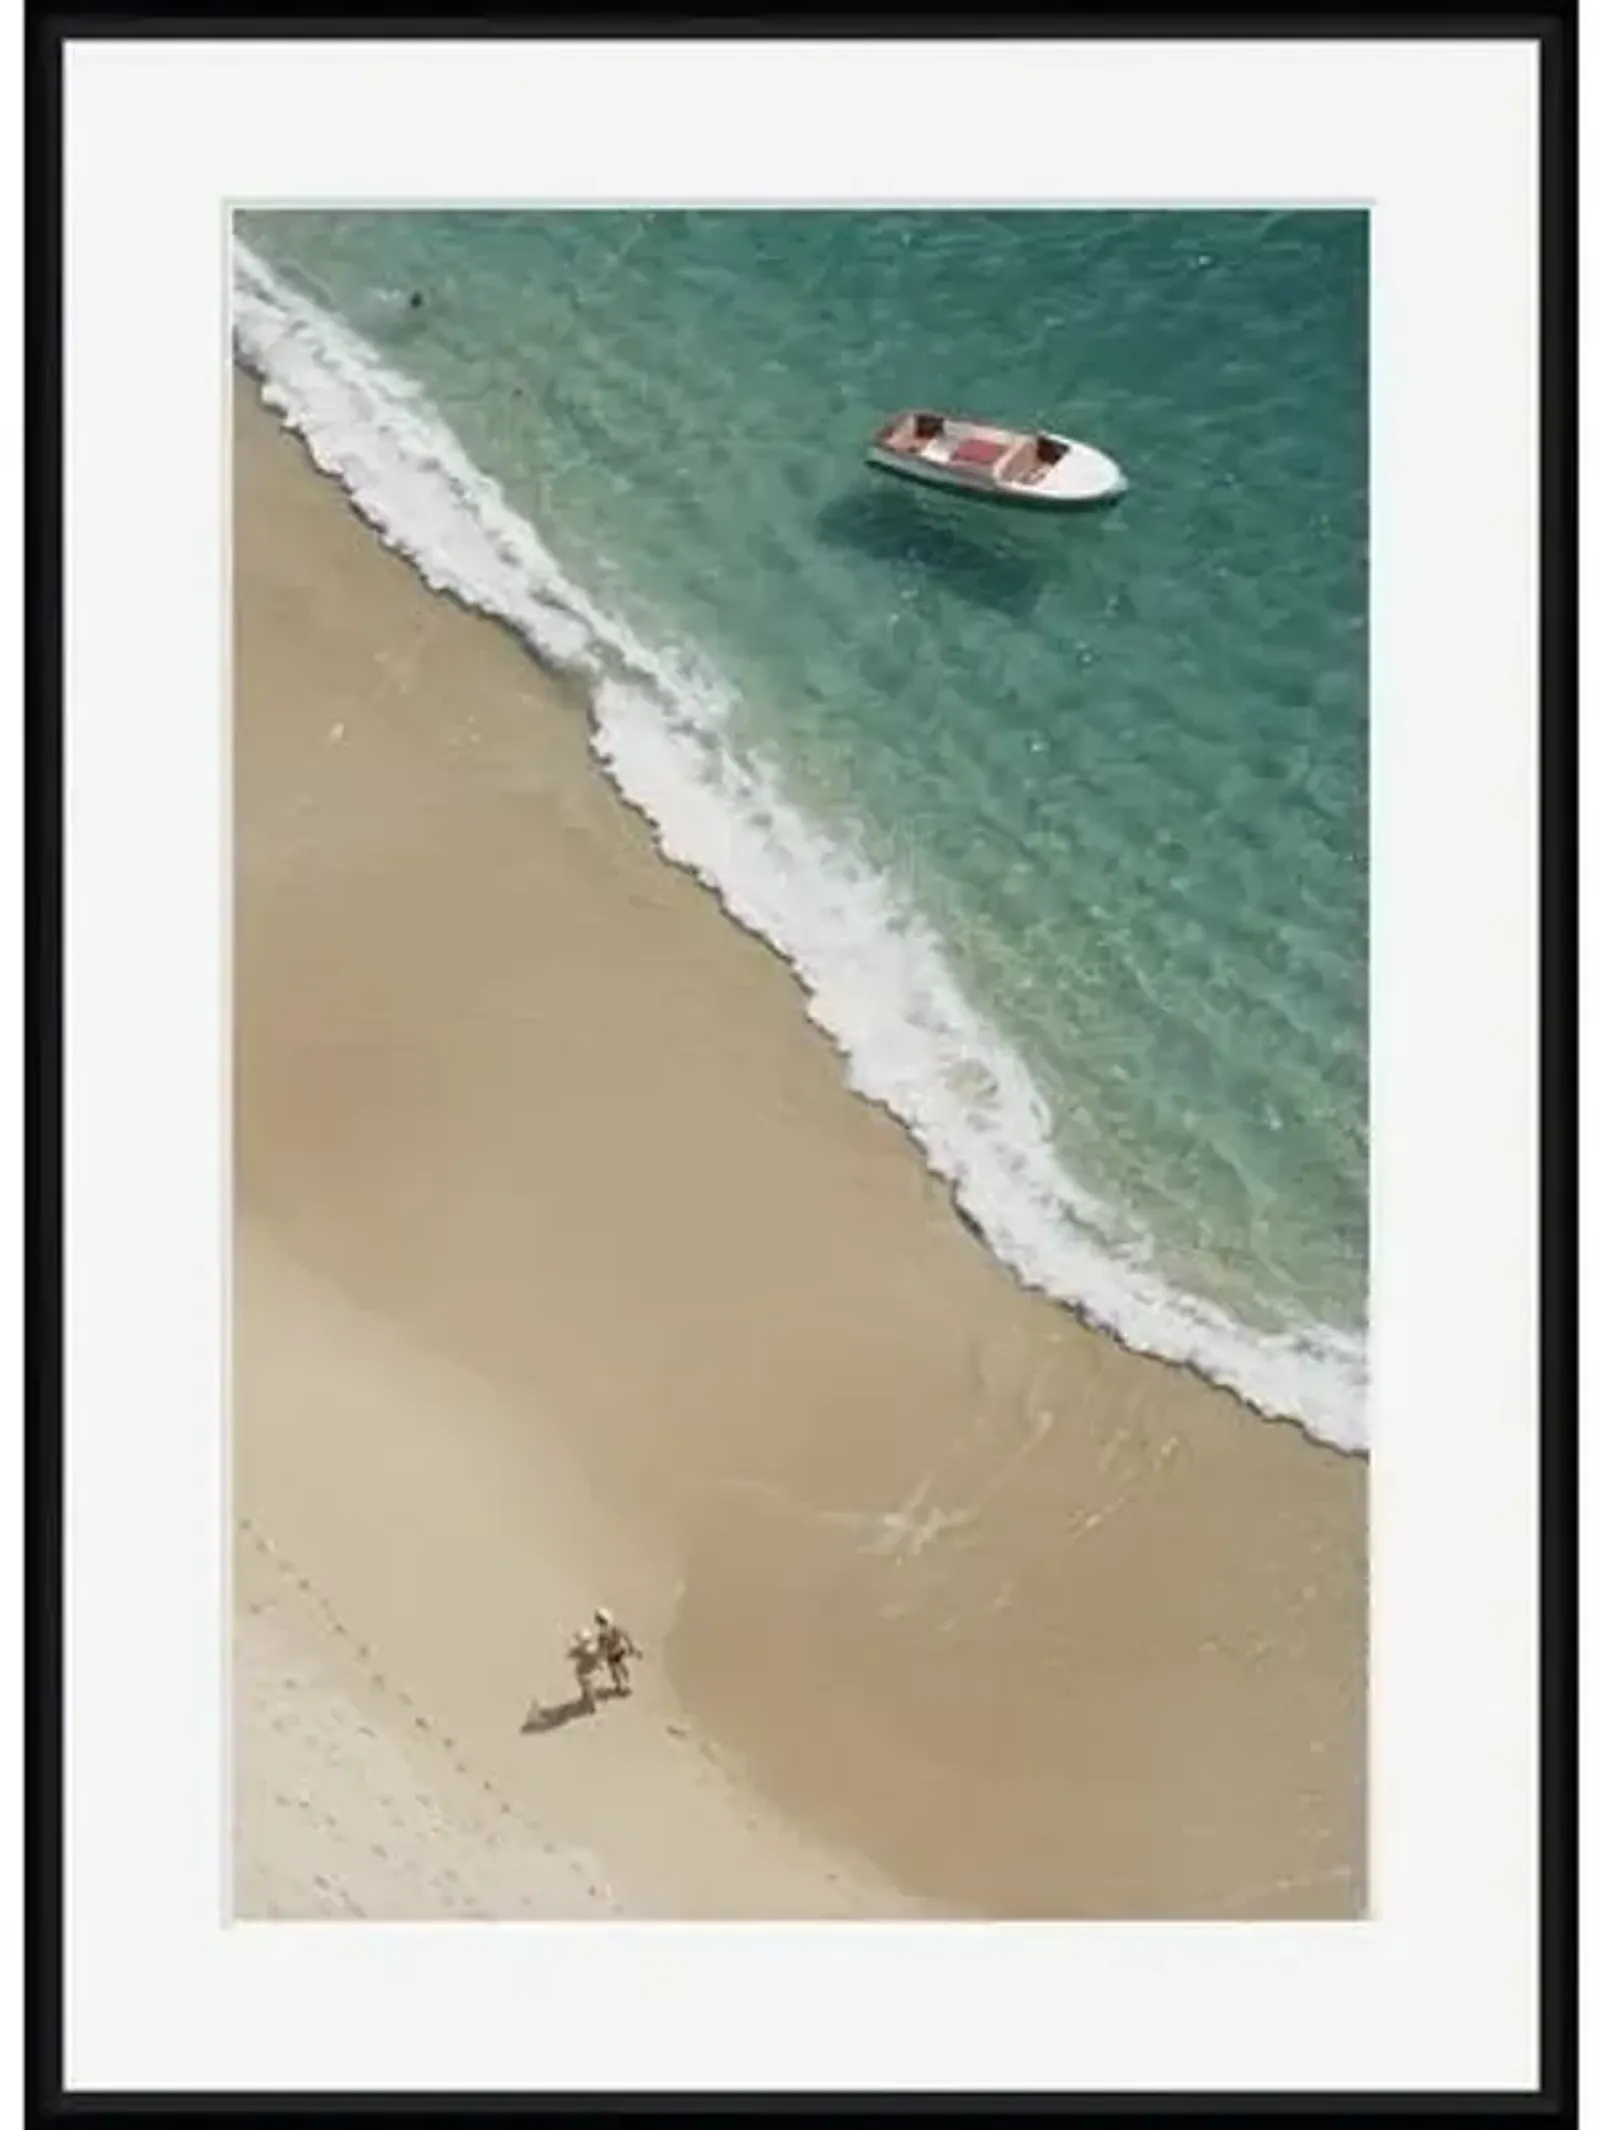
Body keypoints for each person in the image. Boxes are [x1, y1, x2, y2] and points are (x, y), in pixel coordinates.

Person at [591, 1607, 641, 1697]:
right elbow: (601, 1649)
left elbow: (627, 1637)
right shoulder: (604, 1635)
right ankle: (621, 1687)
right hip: (614, 1655)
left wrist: (634, 1648)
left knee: (622, 1670)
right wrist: (599, 1661)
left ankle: (624, 1686)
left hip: (616, 1654)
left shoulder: (612, 1631)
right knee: (618, 1672)